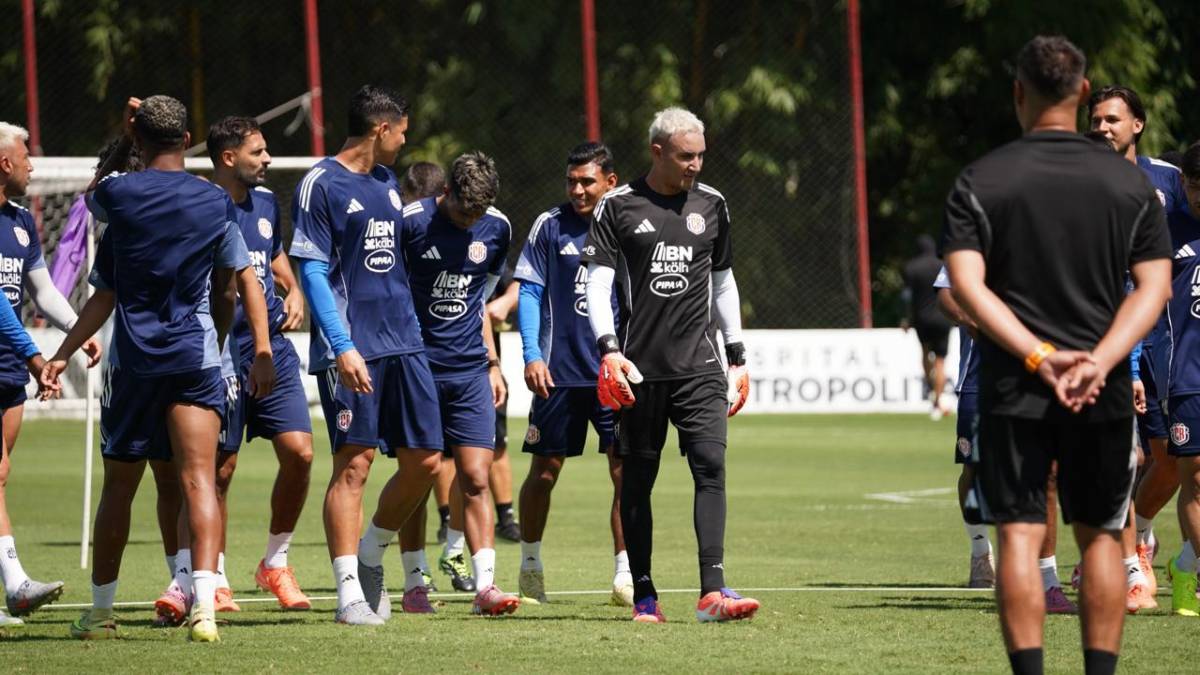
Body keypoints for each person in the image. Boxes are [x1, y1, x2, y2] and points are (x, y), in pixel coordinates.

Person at [942, 36, 1171, 675]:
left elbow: (965, 284)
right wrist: (1099, 361)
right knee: (1100, 534)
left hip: (1014, 385)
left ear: (1019, 93)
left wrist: (1039, 355)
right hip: (1098, 385)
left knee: (1018, 534)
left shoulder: (982, 179)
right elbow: (1153, 287)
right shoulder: (1129, 186)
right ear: (1082, 92)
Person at [43, 95, 277, 642]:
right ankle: (205, 610)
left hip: (133, 364)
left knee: (119, 488)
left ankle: (101, 612)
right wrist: (218, 342)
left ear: (138, 137)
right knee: (199, 481)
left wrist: (62, 352)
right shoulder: (214, 201)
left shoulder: (119, 197)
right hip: (195, 358)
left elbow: (102, 280)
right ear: (189, 137)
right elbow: (229, 289)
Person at [582, 107, 759, 623]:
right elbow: (597, 282)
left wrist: (738, 354)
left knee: (711, 464)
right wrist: (609, 348)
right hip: (639, 369)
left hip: (700, 365)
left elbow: (723, 281)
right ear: (657, 151)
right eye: (686, 156)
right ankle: (644, 595)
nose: (696, 165)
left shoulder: (713, 204)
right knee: (637, 479)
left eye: (701, 155)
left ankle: (713, 591)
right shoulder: (617, 206)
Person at [152, 116, 316, 622]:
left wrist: (295, 291)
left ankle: (276, 562)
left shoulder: (267, 203)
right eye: (259, 152)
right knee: (218, 471)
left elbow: (274, 257)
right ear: (229, 158)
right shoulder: (199, 203)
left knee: (301, 453)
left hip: (271, 348)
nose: (268, 160)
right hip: (218, 349)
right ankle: (213, 576)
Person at [291, 85, 443, 625]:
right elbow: (310, 269)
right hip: (354, 348)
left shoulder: (385, 183)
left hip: (406, 340)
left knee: (426, 460)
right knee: (354, 465)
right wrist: (342, 346)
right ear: (382, 129)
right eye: (402, 131)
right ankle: (350, 593)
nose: (405, 141)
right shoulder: (320, 183)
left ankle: (373, 550)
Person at [513, 141, 631, 606]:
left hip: (614, 373)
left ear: (610, 182)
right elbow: (528, 294)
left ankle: (625, 574)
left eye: (587, 181)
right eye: (572, 181)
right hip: (558, 375)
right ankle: (530, 564)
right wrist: (530, 354)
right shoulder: (550, 225)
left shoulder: (629, 226)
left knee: (625, 472)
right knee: (544, 472)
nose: (578, 190)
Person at [400, 151, 518, 615]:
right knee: (419, 473)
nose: (472, 222)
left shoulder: (498, 228)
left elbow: (478, 300)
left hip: (471, 369)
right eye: (464, 212)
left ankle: (486, 587)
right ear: (445, 192)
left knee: (474, 475)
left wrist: (492, 363)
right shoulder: (409, 223)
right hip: (417, 366)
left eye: (479, 214)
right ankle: (413, 582)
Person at [1088, 84, 1190, 610]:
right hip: (1106, 336)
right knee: (1113, 457)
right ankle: (1125, 568)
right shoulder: (1081, 180)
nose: (1102, 128)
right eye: (1096, 120)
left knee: (1169, 458)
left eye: (1112, 119)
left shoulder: (1170, 180)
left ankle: (1141, 538)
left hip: (1168, 340)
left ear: (1138, 125)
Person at [936, 268, 1077, 614]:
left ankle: (1046, 583)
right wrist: (972, 319)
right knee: (975, 468)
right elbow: (945, 293)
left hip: (1039, 375)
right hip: (981, 377)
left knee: (1049, 475)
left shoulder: (1058, 232)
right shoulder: (979, 231)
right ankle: (980, 552)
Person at [0, 123, 65, 629]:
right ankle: (15, 584)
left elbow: (40, 293)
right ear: (4, 163)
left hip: (6, 370)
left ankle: (14, 587)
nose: (31, 165)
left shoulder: (21, 223)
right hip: (15, 359)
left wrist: (78, 329)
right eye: (25, 157)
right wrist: (34, 356)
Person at [1165, 142, 1200, 616]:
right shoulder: (1165, 231)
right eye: (1193, 185)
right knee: (1195, 480)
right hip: (1186, 374)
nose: (1199, 194)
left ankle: (1185, 565)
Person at [902, 235, 954, 419]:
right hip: (942, 317)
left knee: (924, 353)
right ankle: (938, 400)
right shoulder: (942, 264)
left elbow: (907, 296)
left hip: (921, 318)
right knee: (941, 361)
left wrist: (906, 318)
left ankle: (932, 388)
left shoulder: (912, 267)